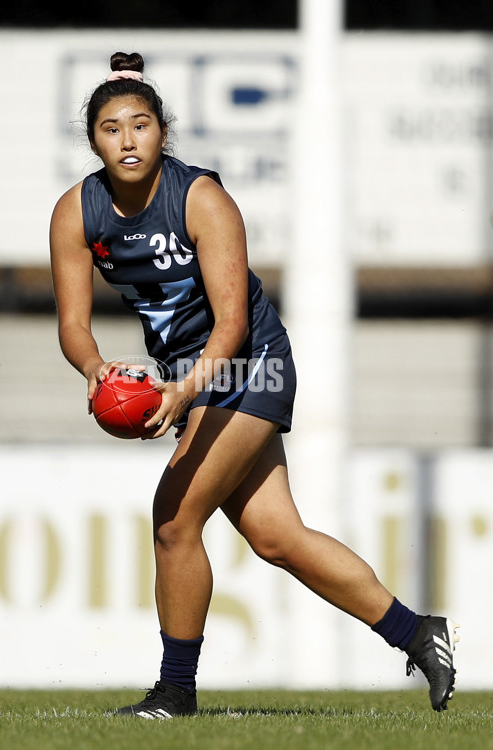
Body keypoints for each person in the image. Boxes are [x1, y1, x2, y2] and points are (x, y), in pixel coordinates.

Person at [49, 51, 459, 719]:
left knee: (174, 520)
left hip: (249, 363)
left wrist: (182, 394)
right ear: (92, 139)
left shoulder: (201, 199)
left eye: (142, 124)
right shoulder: (77, 212)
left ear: (163, 132)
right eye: (111, 128)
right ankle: (418, 633)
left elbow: (233, 323)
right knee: (277, 537)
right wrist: (95, 370)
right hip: (195, 379)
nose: (127, 139)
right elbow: (72, 324)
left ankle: (175, 691)